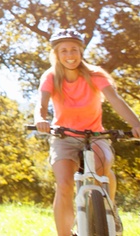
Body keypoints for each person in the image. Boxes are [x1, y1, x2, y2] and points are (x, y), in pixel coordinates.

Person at [34, 28, 140, 236]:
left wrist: (136, 123)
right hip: (63, 137)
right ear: (56, 54)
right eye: (63, 51)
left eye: (73, 49)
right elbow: (41, 102)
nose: (69, 55)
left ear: (81, 51)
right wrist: (40, 119)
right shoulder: (51, 76)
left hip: (95, 136)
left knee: (103, 170)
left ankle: (109, 209)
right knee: (64, 185)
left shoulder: (95, 75)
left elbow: (115, 100)